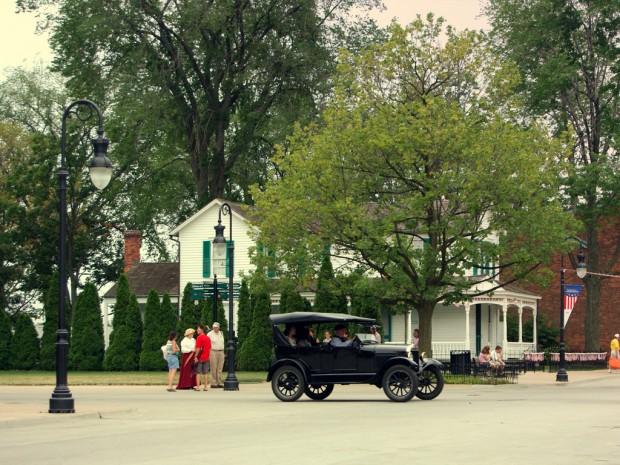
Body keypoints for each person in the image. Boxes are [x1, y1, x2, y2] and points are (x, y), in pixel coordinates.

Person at [193, 324, 212, 391]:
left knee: (198, 372)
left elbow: (198, 348)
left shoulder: (199, 337)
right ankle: (205, 387)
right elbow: (210, 347)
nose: (197, 330)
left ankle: (198, 387)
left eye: (198, 329)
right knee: (206, 372)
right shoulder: (208, 338)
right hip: (206, 357)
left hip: (200, 357)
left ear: (202, 330)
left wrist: (196, 356)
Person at [207, 322, 225, 388]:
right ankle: (213, 382)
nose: (215, 328)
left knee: (220, 368)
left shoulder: (221, 333)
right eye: (214, 327)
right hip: (213, 351)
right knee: (213, 367)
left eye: (216, 327)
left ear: (219, 327)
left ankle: (219, 382)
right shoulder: (209, 334)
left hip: (221, 351)